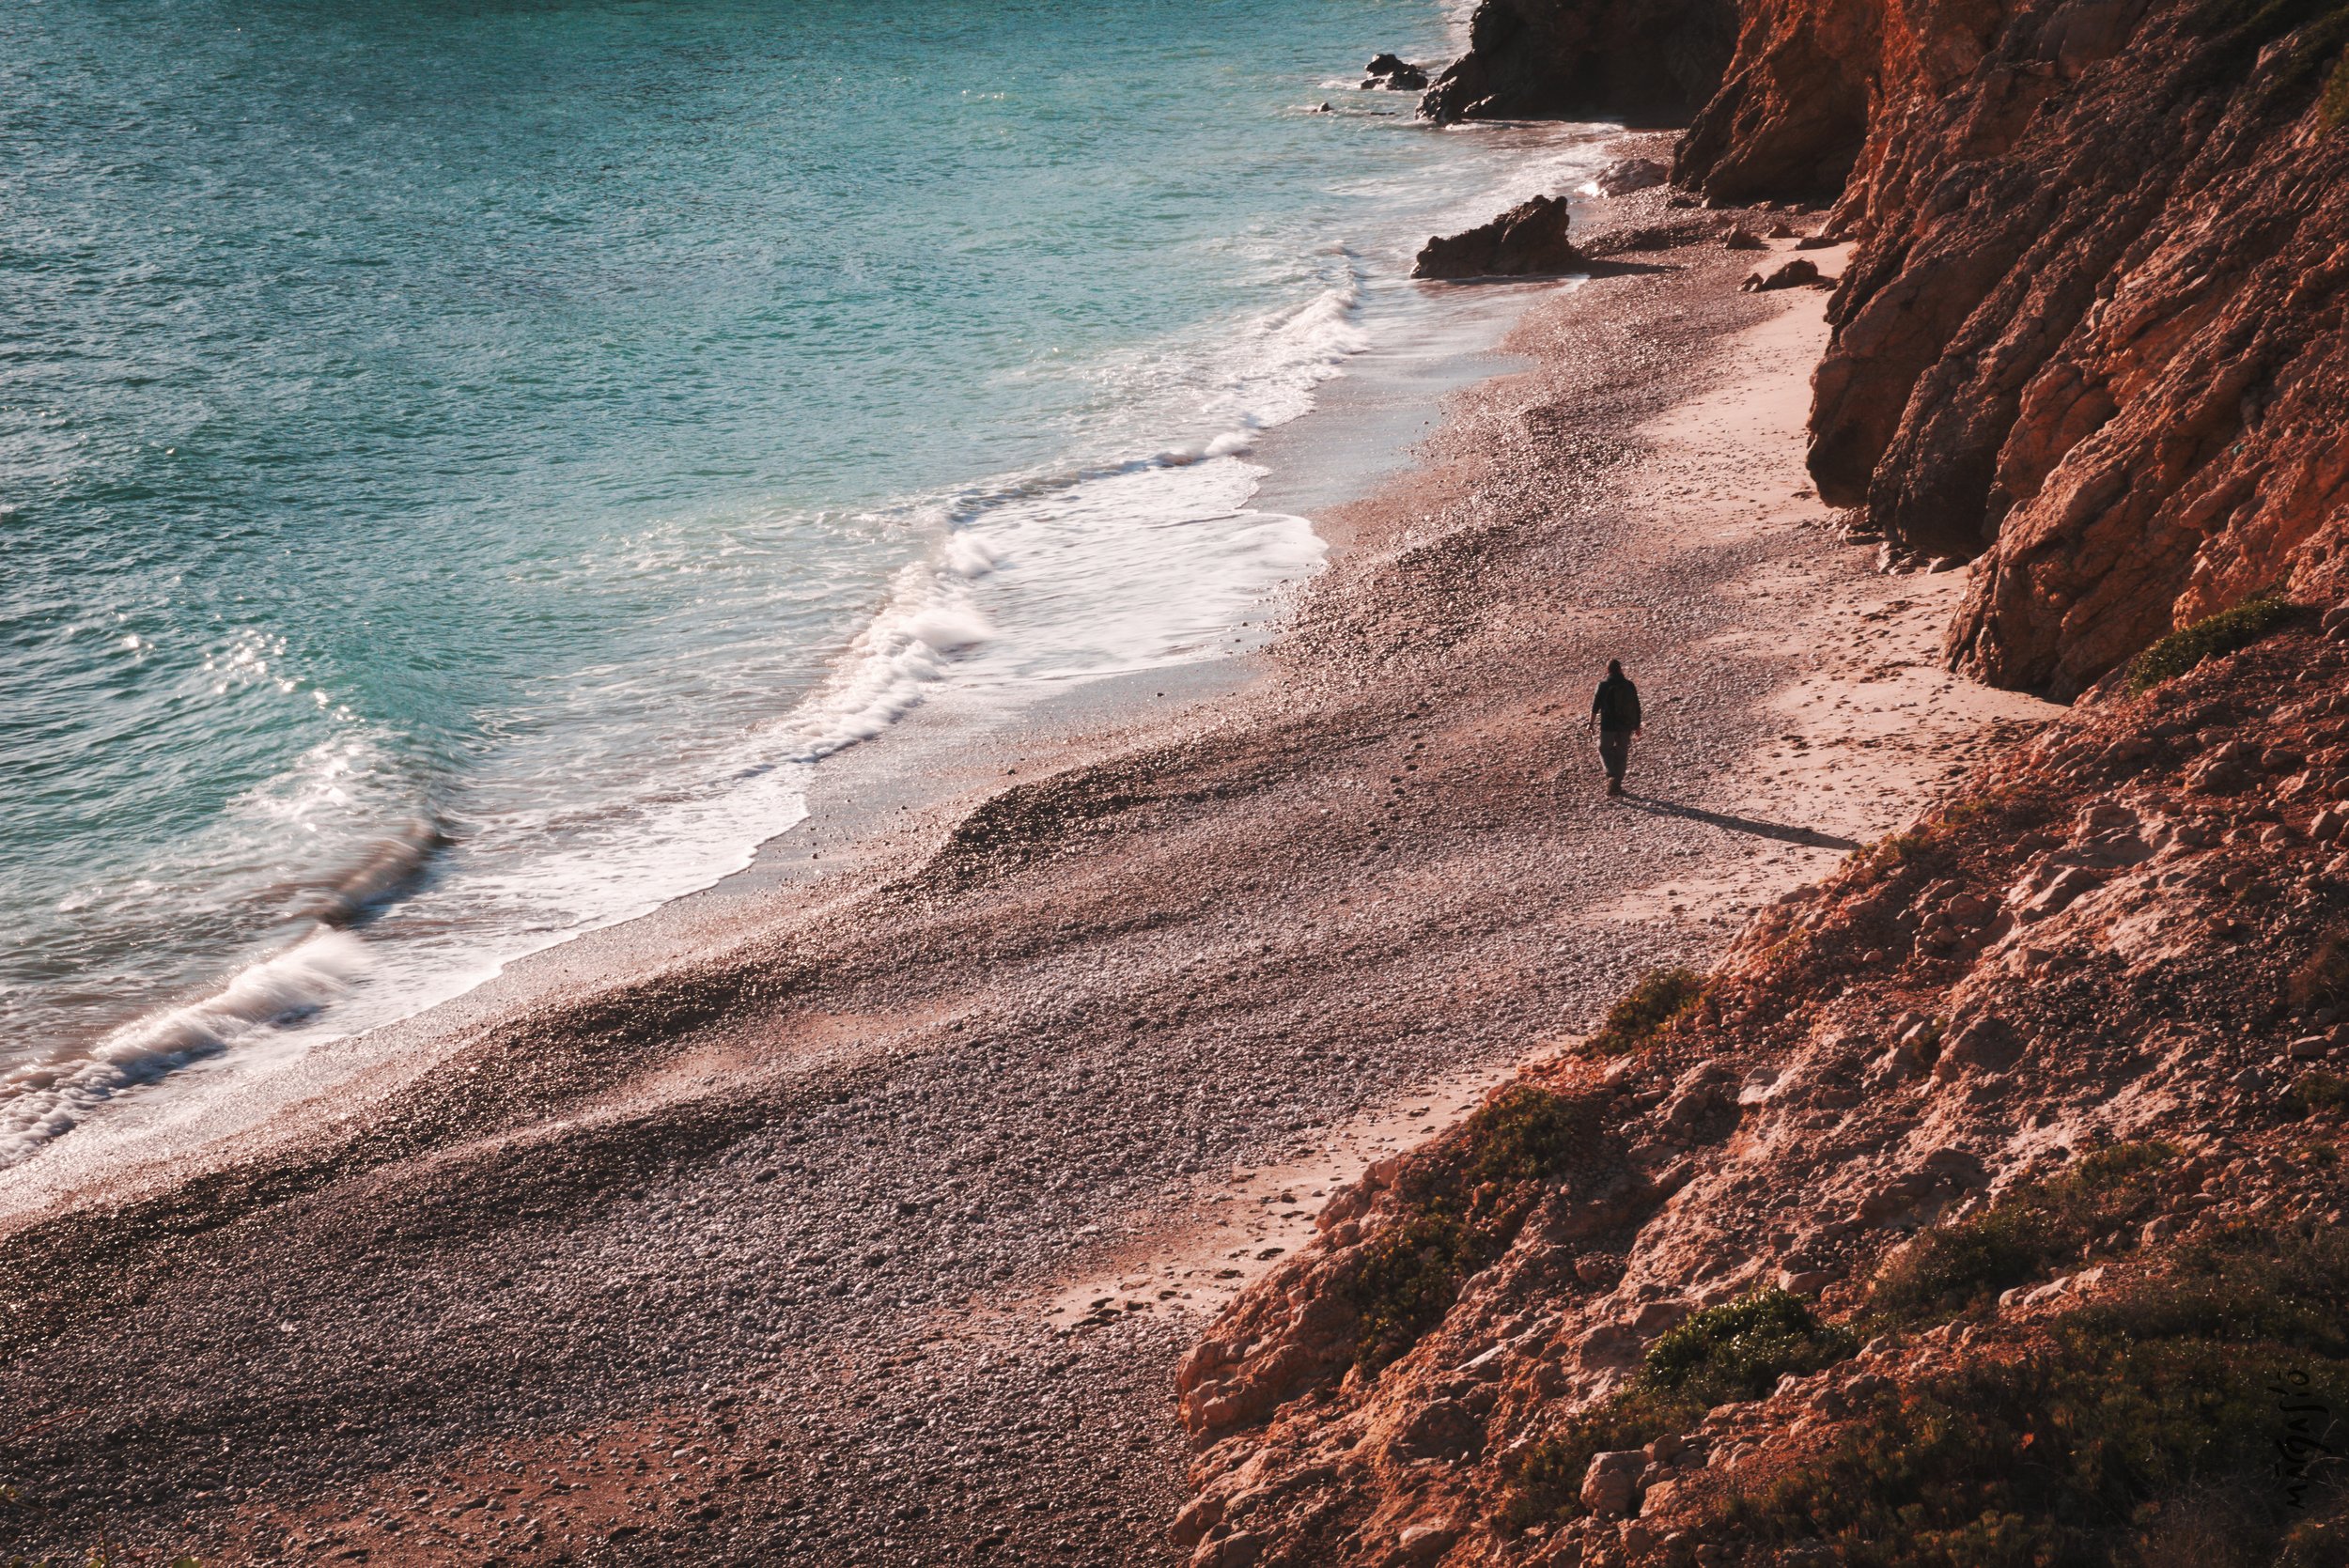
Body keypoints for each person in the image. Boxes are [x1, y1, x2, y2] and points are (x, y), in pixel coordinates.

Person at [1590, 659, 1641, 795]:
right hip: (1626, 725)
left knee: (1603, 748)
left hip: (1608, 726)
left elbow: (1595, 706)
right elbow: (1636, 706)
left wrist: (1591, 724)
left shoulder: (1603, 685)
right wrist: (1637, 725)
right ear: (1620, 670)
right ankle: (1616, 784)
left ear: (1607, 670)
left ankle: (1611, 774)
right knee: (1621, 754)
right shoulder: (1629, 685)